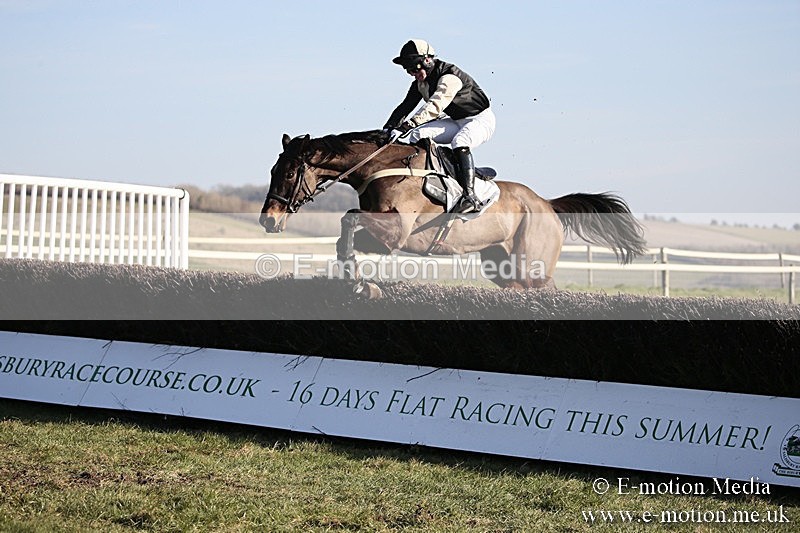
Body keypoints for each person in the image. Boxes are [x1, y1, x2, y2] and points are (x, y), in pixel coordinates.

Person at [384, 39, 496, 213]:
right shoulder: (420, 83)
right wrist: (388, 128)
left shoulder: (449, 77)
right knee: (417, 135)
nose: (412, 73)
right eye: (408, 70)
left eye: (414, 68)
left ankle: (470, 196)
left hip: (480, 120)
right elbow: (405, 106)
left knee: (460, 142)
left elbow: (435, 106)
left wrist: (407, 125)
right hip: (455, 121)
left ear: (427, 60)